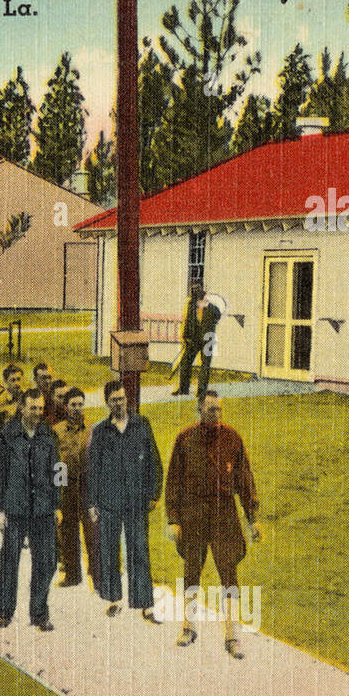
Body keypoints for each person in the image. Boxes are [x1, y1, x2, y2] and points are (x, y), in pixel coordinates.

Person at [166, 390, 262, 659]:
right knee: (191, 571)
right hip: (194, 512)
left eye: (219, 410)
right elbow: (173, 482)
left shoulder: (233, 438)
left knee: (229, 572)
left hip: (224, 513)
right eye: (211, 410)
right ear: (199, 411)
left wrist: (252, 519)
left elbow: (245, 480)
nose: (216, 415)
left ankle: (232, 635)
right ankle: (188, 627)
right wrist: (173, 519)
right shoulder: (185, 439)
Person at [87, 380, 163, 622]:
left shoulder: (142, 424)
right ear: (107, 403)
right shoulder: (100, 431)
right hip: (108, 501)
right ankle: (113, 599)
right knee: (109, 551)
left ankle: (145, 604)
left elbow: (154, 461)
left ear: (127, 399)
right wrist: (92, 503)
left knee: (139, 550)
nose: (119, 404)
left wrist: (154, 493)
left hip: (135, 501)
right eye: (114, 400)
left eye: (122, 399)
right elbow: (93, 470)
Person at [0, 388, 61, 631]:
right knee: (9, 561)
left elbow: (59, 471)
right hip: (15, 509)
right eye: (33, 408)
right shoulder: (7, 434)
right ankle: (4, 610)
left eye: (41, 408)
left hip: (43, 509)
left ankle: (39, 613)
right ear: (22, 407)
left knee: (47, 561)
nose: (37, 412)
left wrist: (57, 504)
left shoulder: (48, 434)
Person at [52, 387, 94, 588]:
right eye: (73, 405)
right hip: (66, 486)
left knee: (92, 532)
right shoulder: (57, 431)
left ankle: (96, 574)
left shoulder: (93, 430)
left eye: (80, 404)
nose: (77, 408)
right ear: (66, 407)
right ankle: (72, 574)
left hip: (87, 487)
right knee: (68, 532)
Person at [174, 281, 222, 400]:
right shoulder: (190, 304)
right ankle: (183, 388)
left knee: (205, 365)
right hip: (194, 338)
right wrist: (185, 337)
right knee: (185, 362)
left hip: (208, 338)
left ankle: (201, 392)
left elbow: (218, 315)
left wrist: (207, 306)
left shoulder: (211, 305)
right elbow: (187, 321)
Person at [0, 364, 24, 432]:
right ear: (5, 382)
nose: (17, 383)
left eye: (18, 379)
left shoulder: (27, 398)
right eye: (13, 380)